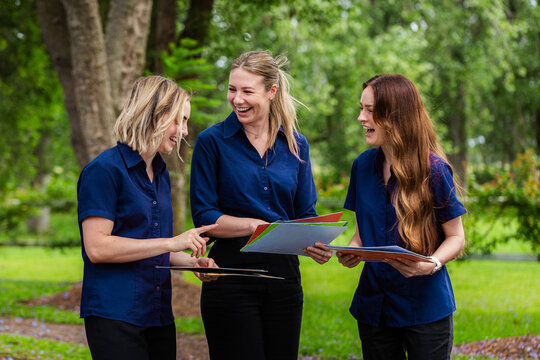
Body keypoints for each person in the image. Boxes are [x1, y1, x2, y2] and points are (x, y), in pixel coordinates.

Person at [190, 50, 330, 360]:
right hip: (229, 276)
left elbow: (305, 213)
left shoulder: (296, 144)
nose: (237, 99)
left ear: (271, 92)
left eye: (246, 91)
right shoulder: (212, 143)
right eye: (232, 89)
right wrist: (257, 227)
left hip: (284, 280)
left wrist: (316, 242)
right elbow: (204, 215)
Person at [77, 75, 218, 360]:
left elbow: (152, 246)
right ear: (152, 115)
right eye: (179, 121)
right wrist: (171, 243)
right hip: (115, 314)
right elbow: (97, 248)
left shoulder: (161, 174)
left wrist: (191, 261)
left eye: (186, 121)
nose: (185, 131)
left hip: (158, 314)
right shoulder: (104, 171)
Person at [335, 74, 466, 360]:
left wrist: (431, 264)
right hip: (373, 308)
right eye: (361, 108)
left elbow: (456, 237)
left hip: (425, 308)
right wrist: (352, 251)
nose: (360, 117)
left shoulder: (435, 169)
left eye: (369, 110)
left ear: (395, 116)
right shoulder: (362, 166)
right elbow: (361, 236)